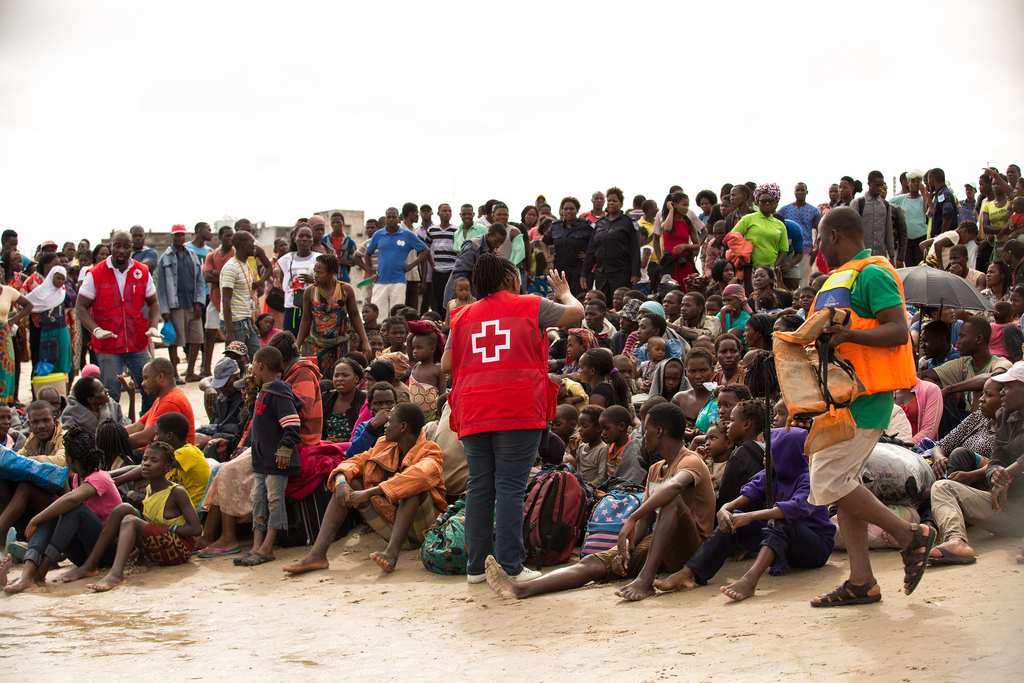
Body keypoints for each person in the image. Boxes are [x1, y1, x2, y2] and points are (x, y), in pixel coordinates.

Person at [805, 206, 934, 606]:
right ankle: (862, 581)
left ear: (835, 236)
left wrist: (847, 337)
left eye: (820, 239)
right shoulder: (836, 280)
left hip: (864, 398)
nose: (818, 247)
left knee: (828, 482)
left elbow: (898, 330)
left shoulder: (873, 272)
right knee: (847, 486)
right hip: (839, 398)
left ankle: (911, 535)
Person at [442, 254, 583, 583]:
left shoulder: (461, 315)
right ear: (510, 280)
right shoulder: (530, 305)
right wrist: (563, 291)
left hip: (474, 407)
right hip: (517, 405)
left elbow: (447, 365)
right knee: (509, 488)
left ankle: (476, 569)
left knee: (479, 487)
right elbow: (576, 314)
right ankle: (510, 566)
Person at [485, 402, 714, 602]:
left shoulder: (691, 461)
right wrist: (625, 550)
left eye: (647, 429)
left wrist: (631, 517)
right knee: (593, 563)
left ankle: (645, 581)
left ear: (660, 431)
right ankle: (521, 589)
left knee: (671, 501)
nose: (643, 435)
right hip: (660, 544)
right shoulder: (655, 468)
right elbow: (645, 521)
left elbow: (672, 488)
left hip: (692, 551)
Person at [653, 426, 834, 600]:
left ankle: (750, 580)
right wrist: (725, 510)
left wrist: (750, 516)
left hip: (815, 547)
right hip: (785, 541)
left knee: (779, 521)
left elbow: (793, 509)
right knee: (735, 518)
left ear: (786, 453)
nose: (764, 453)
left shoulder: (808, 478)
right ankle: (689, 573)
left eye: (771, 450)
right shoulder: (769, 475)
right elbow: (744, 497)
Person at [283, 402, 445, 575]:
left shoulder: (430, 450)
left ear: (403, 426)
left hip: (426, 534)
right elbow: (352, 462)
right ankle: (317, 555)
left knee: (412, 488)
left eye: (390, 422)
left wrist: (368, 492)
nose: (386, 425)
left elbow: (420, 475)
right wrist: (340, 482)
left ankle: (391, 554)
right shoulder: (384, 445)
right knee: (348, 483)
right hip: (392, 529)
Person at [66, 442, 202, 591]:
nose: (146, 464)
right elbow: (151, 524)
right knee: (123, 509)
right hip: (160, 545)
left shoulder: (177, 492)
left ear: (167, 467)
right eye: (144, 459)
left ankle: (116, 575)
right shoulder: (149, 489)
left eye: (154, 461)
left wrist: (164, 528)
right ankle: (90, 565)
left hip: (178, 550)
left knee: (130, 521)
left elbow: (195, 529)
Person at [3, 427, 119, 593]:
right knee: (54, 514)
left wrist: (35, 519)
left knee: (72, 509)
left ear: (70, 460)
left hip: (107, 552)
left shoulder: (99, 477)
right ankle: (27, 575)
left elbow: (72, 500)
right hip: (84, 553)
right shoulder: (78, 479)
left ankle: (41, 572)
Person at [928, 363, 1024, 564]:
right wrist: (997, 474)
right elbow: (996, 460)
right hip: (1008, 508)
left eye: (1008, 387)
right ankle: (956, 540)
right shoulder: (1004, 416)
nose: (1003, 392)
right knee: (943, 487)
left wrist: (1010, 471)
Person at [229, 346, 302, 567]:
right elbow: (259, 419)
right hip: (262, 460)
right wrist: (251, 395)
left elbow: (292, 425)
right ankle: (256, 546)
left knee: (274, 499)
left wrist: (284, 448)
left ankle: (268, 547)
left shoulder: (278, 392)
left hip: (275, 459)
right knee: (259, 499)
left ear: (260, 366)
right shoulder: (265, 391)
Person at [75, 230, 161, 413]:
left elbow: (153, 302)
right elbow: (80, 307)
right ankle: (113, 433)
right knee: (110, 394)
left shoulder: (142, 271)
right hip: (108, 345)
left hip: (137, 343)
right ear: (111, 247)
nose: (121, 250)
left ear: (132, 248)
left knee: (151, 389)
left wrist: (153, 326)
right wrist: (95, 330)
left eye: (126, 246)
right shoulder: (95, 274)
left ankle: (147, 428)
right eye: (117, 246)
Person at [295, 252, 370, 377]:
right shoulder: (310, 291)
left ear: (331, 273)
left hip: (340, 344)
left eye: (320, 272)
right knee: (316, 377)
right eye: (315, 271)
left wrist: (365, 340)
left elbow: (355, 316)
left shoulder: (345, 290)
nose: (315, 275)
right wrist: (297, 344)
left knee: (340, 375)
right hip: (316, 344)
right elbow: (306, 319)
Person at [156, 224, 207, 383]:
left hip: (192, 304)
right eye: (177, 235)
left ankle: (191, 371)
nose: (180, 238)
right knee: (174, 340)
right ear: (172, 237)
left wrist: (199, 302)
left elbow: (199, 280)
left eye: (182, 235)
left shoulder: (192, 255)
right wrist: (164, 310)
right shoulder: (166, 257)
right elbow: (161, 287)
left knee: (196, 338)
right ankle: (175, 374)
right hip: (175, 305)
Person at [929, 377, 1002, 485]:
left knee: (960, 454)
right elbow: (941, 446)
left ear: (1004, 399)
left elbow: (1002, 463)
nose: (982, 399)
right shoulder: (978, 417)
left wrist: (972, 476)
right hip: (956, 473)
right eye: (983, 394)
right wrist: (940, 460)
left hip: (983, 482)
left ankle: (937, 489)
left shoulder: (1011, 427)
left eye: (989, 395)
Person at [365, 204, 429, 317]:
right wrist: (370, 274)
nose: (391, 219)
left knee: (397, 316)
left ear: (398, 218)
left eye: (393, 217)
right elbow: (367, 254)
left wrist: (411, 265)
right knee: (379, 316)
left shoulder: (407, 234)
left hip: (399, 282)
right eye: (388, 217)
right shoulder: (378, 234)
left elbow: (426, 250)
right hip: (380, 281)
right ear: (385, 218)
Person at [582, 187, 641, 300]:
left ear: (621, 203)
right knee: (602, 303)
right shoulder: (600, 223)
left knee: (620, 303)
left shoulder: (629, 222)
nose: (611, 203)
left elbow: (635, 248)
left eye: (614, 201)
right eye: (609, 201)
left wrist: (635, 271)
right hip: (601, 273)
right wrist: (585, 273)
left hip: (621, 273)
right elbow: (591, 250)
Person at [124, 358, 196, 450]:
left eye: (146, 378)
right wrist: (111, 434)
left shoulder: (171, 401)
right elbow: (136, 427)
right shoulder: (162, 399)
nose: (142, 383)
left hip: (171, 460)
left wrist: (112, 443)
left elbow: (145, 438)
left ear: (160, 377)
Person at [731, 183, 789, 291]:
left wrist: (775, 266)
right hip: (752, 269)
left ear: (774, 203)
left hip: (771, 271)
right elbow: (732, 237)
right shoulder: (748, 219)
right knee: (752, 301)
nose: (767, 203)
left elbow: (784, 249)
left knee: (771, 300)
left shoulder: (780, 224)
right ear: (757, 203)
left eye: (770, 201)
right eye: (763, 201)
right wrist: (742, 258)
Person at [220, 230, 261, 359]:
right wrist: (230, 332)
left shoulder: (245, 265)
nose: (255, 245)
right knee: (238, 360)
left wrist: (251, 321)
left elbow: (246, 296)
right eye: (252, 242)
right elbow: (226, 300)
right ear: (243, 244)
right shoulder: (231, 268)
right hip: (235, 322)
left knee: (257, 356)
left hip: (245, 321)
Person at [542, 197, 593, 297]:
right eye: (565, 209)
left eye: (571, 208)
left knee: (580, 299)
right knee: (562, 300)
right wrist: (548, 258)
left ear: (577, 210)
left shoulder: (585, 225)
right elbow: (544, 242)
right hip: (561, 273)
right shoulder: (556, 226)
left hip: (580, 272)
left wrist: (589, 255)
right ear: (562, 210)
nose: (568, 211)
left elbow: (596, 242)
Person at [202, 225, 235, 376]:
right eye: (227, 236)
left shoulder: (235, 254)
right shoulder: (212, 255)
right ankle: (206, 367)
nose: (230, 238)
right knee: (209, 333)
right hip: (215, 299)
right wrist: (224, 276)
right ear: (220, 237)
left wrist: (218, 274)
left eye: (231, 235)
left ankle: (230, 367)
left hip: (231, 300)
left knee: (230, 333)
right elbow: (207, 276)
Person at [276, 223, 317, 338]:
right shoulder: (286, 259)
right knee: (290, 340)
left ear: (313, 240)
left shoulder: (319, 258)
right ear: (295, 238)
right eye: (301, 236)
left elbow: (329, 282)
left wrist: (313, 280)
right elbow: (283, 283)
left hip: (313, 307)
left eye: (308, 237)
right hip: (292, 307)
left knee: (311, 340)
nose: (304, 239)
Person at [0, 271, 32, 404]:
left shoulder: (8, 291)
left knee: (5, 370)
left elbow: (29, 305)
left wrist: (13, 320)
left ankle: (5, 405)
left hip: (4, 336)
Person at [658, 192, 701, 291]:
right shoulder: (664, 220)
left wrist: (685, 246)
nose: (686, 208)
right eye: (684, 205)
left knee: (687, 291)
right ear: (675, 204)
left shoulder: (689, 223)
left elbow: (697, 245)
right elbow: (667, 229)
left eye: (688, 205)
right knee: (671, 292)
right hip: (671, 264)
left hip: (685, 263)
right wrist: (671, 210)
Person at [779, 182, 821, 279]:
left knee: (805, 280)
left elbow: (820, 232)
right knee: (788, 280)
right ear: (794, 192)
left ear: (807, 192)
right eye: (797, 190)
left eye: (802, 190)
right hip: (788, 251)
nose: (800, 192)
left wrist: (816, 250)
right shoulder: (784, 210)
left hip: (806, 251)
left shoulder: (813, 211)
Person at [61, 374, 129, 433]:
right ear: (91, 400)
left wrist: (132, 397)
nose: (106, 390)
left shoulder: (112, 406)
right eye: (101, 390)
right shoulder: (71, 416)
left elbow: (128, 428)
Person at [321, 358, 365, 443]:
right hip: (326, 447)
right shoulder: (325, 398)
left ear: (356, 378)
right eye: (336, 375)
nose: (339, 379)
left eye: (345, 375)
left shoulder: (364, 401)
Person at [425, 204, 458, 313]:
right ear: (438, 213)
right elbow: (426, 248)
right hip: (438, 270)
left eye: (449, 211)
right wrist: (432, 263)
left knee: (451, 298)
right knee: (438, 299)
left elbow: (459, 249)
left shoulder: (456, 230)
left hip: (451, 271)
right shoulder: (432, 230)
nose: (447, 213)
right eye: (444, 211)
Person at [926, 168, 959, 239]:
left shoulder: (943, 194)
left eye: (928, 181)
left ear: (932, 180)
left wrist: (942, 235)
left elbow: (948, 211)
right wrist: (929, 201)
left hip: (945, 242)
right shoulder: (939, 194)